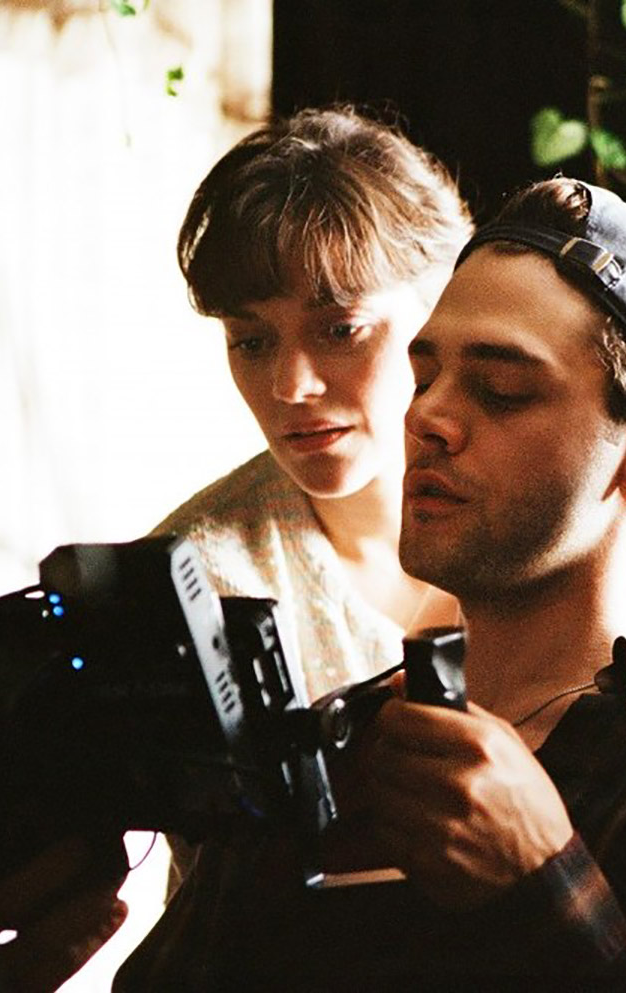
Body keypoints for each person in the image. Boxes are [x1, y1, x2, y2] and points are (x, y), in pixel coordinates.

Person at [118, 177, 626, 989]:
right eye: (424, 374)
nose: (427, 417)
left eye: (500, 390)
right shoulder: (343, 739)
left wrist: (541, 887)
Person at [152, 105, 472, 706]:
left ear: (444, 305)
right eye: (251, 341)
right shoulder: (203, 584)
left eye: (340, 330)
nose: (289, 386)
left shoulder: (559, 519)